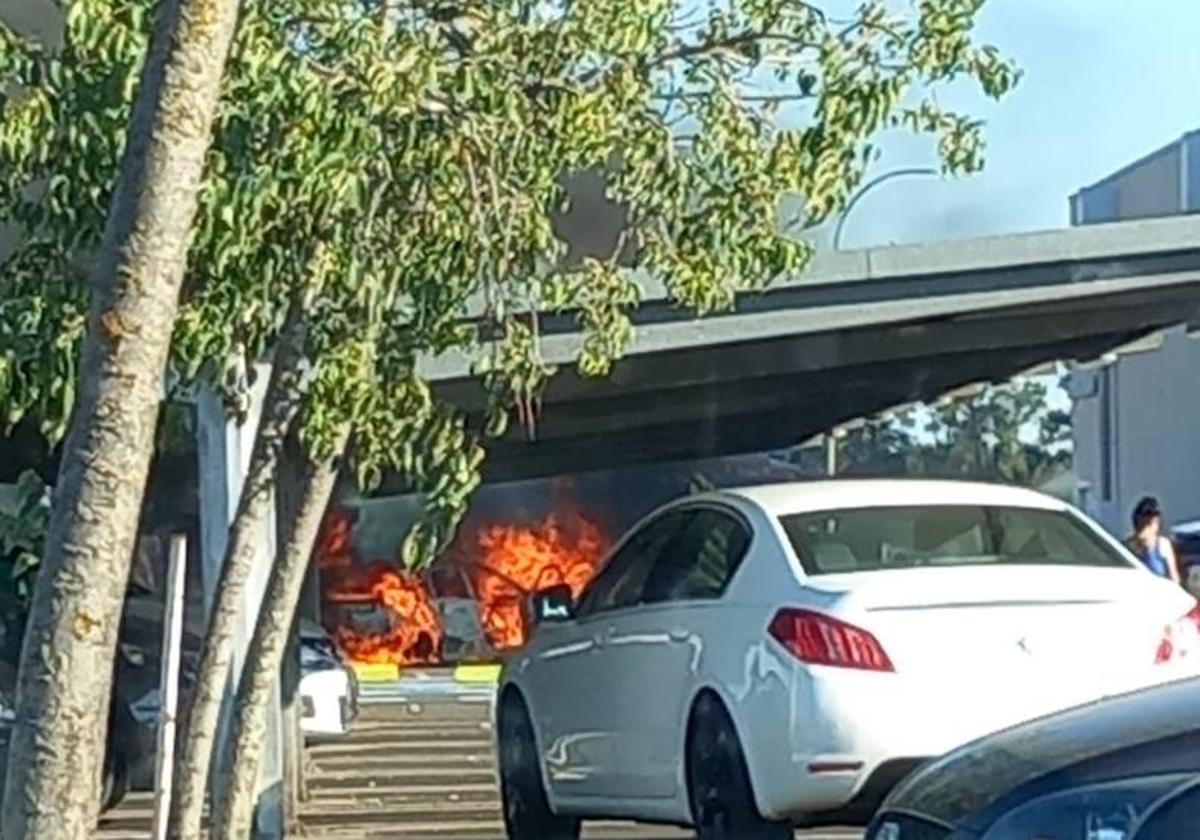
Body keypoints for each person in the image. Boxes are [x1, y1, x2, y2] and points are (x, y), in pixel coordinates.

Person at [1127, 497, 1181, 584]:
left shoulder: (1162, 544)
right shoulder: (1129, 546)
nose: (1150, 520)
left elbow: (1174, 578)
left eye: (1155, 515)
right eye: (1147, 514)